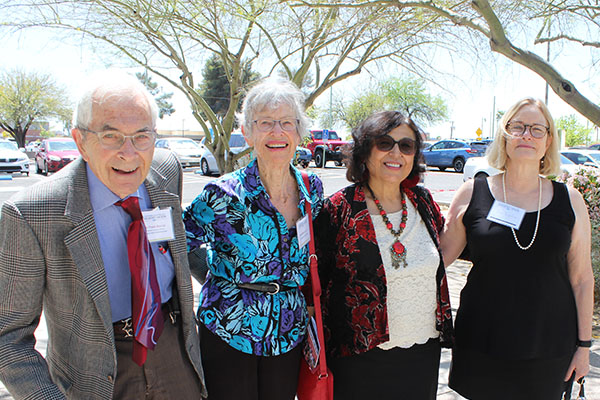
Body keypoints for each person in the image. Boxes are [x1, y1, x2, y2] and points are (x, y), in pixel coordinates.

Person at [0, 70, 206, 399]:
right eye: (111, 136)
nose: (129, 152)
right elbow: (8, 338)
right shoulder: (32, 213)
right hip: (95, 374)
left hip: (174, 352)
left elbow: (177, 246)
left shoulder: (167, 171)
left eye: (142, 136)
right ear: (80, 140)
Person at [441, 98, 594, 399]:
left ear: (549, 140)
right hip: (482, 345)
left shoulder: (570, 200)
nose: (527, 135)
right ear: (504, 135)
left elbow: (582, 279)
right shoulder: (473, 193)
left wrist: (584, 347)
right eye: (518, 127)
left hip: (549, 349)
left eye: (537, 129)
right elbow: (436, 261)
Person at [183, 77, 323, 400]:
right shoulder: (222, 195)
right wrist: (217, 280)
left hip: (288, 331)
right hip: (229, 329)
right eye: (265, 123)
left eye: (287, 122)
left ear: (299, 132)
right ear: (247, 133)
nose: (277, 132)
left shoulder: (311, 189)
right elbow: (177, 246)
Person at [314, 111, 454, 399]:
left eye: (406, 146)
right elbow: (316, 284)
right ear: (365, 150)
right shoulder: (338, 209)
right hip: (359, 358)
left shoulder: (423, 202)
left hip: (422, 353)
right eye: (385, 143)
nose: (396, 153)